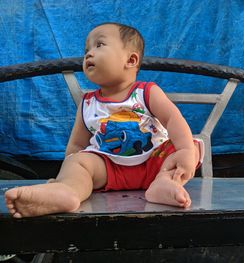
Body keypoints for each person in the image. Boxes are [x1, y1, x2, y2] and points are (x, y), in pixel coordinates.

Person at [5, 22, 204, 218]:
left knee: (191, 146)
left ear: (131, 60)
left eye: (99, 45)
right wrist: (66, 175)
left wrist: (185, 150)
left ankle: (164, 182)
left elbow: (172, 119)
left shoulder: (146, 91)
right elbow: (76, 144)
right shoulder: (88, 102)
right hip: (109, 167)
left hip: (155, 160)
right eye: (86, 50)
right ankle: (67, 191)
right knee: (79, 162)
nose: (89, 54)